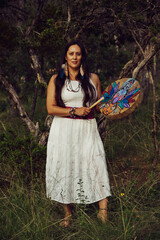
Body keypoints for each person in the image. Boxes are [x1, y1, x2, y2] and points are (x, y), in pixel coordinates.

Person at [46, 40, 111, 227]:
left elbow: (98, 107)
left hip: (87, 129)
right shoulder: (56, 79)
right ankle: (68, 214)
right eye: (71, 53)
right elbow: (51, 108)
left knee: (96, 162)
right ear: (66, 56)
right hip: (64, 130)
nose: (75, 57)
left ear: (82, 56)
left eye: (78, 54)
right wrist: (74, 111)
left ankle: (103, 211)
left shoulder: (93, 78)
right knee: (65, 166)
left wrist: (109, 107)